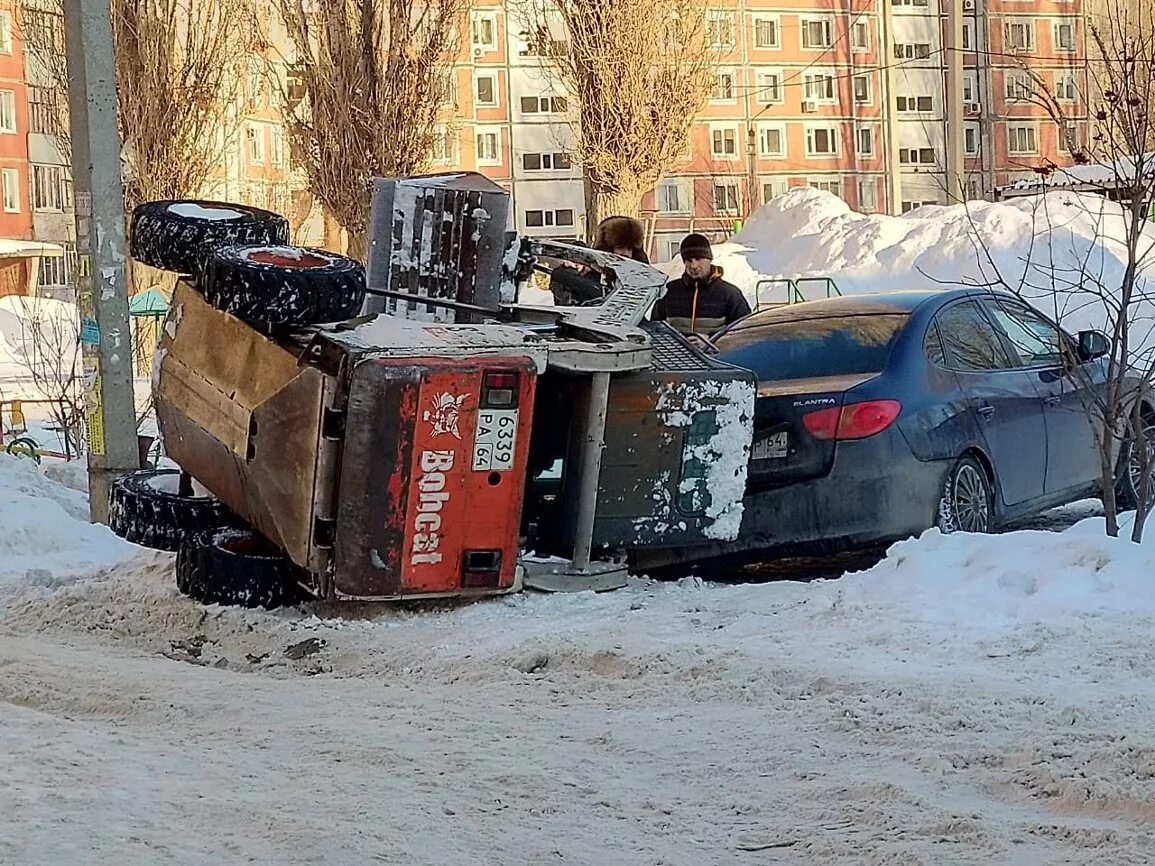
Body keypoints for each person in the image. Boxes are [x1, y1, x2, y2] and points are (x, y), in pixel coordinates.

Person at [651, 233, 750, 340]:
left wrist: (710, 340)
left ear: (709, 259)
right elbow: (654, 328)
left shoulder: (730, 294)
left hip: (715, 355)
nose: (693, 266)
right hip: (674, 354)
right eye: (689, 260)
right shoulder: (669, 291)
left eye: (698, 259)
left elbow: (744, 332)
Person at [549, 216, 649, 305]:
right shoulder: (588, 277)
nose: (626, 253)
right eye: (620, 247)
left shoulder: (641, 274)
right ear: (608, 248)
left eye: (629, 248)